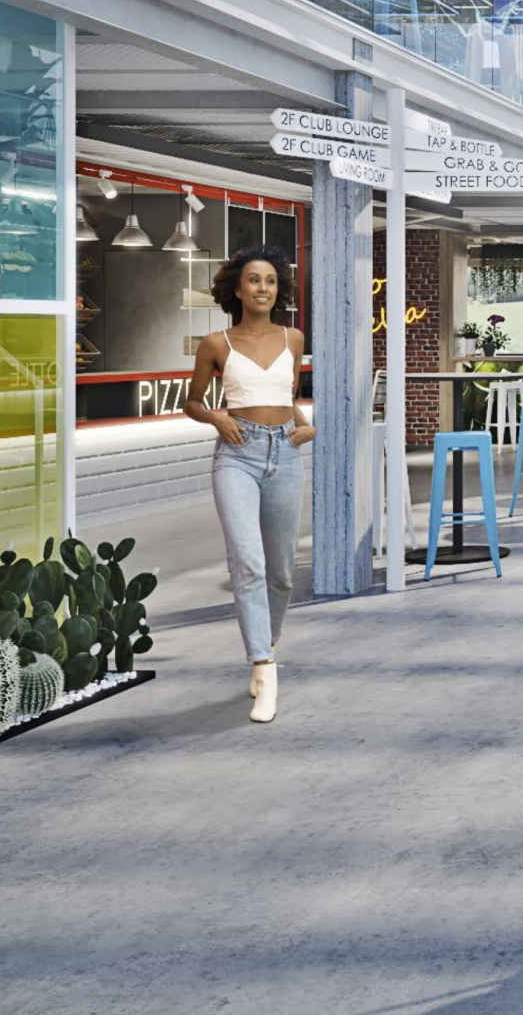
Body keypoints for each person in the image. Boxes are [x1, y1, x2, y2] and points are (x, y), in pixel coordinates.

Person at [183, 247, 314, 724]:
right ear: (237, 288)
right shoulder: (216, 343)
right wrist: (217, 418)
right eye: (255, 280)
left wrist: (307, 426)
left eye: (271, 281)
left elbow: (286, 397)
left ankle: (266, 643)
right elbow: (192, 401)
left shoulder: (293, 338)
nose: (263, 288)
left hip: (286, 454)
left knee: (281, 573)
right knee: (249, 562)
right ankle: (265, 669)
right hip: (236, 457)